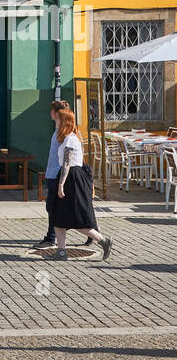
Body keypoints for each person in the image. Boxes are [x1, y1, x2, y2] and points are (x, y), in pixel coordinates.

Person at [51, 108, 113, 261]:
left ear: (64, 121)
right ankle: (61, 251)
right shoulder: (67, 138)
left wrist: (60, 185)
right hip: (69, 177)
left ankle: (103, 240)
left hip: (72, 179)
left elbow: (67, 164)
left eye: (58, 119)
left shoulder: (70, 139)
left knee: (77, 219)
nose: (56, 122)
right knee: (58, 218)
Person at [32, 100, 73, 251]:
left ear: (57, 114)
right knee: (55, 208)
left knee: (54, 208)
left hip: (57, 175)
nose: (50, 113)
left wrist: (61, 180)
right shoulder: (58, 130)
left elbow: (68, 158)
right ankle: (91, 230)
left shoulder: (64, 132)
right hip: (53, 173)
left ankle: (51, 238)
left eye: (52, 111)